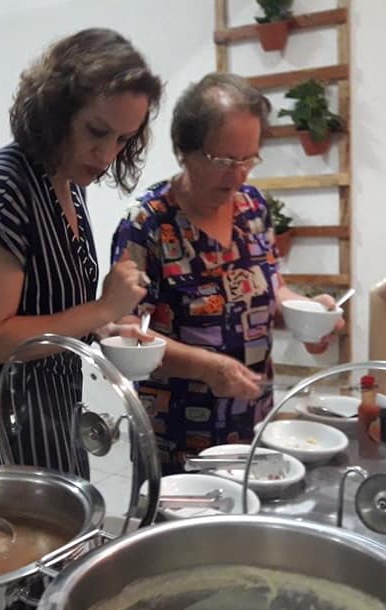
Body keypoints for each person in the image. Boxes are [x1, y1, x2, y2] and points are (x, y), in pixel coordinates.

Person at [0, 28, 161, 473]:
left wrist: (106, 326)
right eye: (97, 132)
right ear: (55, 110)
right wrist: (103, 308)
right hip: (7, 429)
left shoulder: (65, 181)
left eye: (123, 139)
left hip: (56, 416)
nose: (106, 154)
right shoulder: (1, 189)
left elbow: (51, 310)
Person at [111, 72, 344, 473]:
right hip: (176, 435)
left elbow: (269, 289)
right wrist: (207, 367)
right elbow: (125, 334)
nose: (238, 174)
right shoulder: (147, 224)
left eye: (248, 159)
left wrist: (308, 313)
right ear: (183, 149)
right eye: (223, 161)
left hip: (253, 421)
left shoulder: (253, 207)